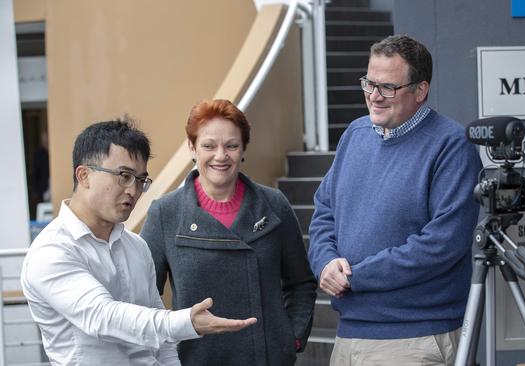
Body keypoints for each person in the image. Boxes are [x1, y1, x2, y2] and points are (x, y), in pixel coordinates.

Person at [21, 119, 257, 366]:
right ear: (84, 175)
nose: (133, 190)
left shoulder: (136, 245)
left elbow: (161, 339)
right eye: (124, 176)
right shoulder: (51, 251)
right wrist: (185, 322)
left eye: (140, 180)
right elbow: (103, 317)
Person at [308, 34, 483, 366]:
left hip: (413, 339)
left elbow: (442, 245)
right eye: (369, 83)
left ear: (420, 90)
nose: (374, 96)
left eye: (387, 87)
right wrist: (325, 262)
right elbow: (325, 212)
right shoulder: (354, 135)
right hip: (349, 335)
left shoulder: (451, 146)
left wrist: (355, 276)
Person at [140, 99, 317, 366]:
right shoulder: (166, 213)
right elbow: (143, 300)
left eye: (231, 145)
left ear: (243, 148)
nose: (220, 156)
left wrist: (289, 339)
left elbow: (301, 283)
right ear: (192, 148)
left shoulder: (274, 204)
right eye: (209, 145)